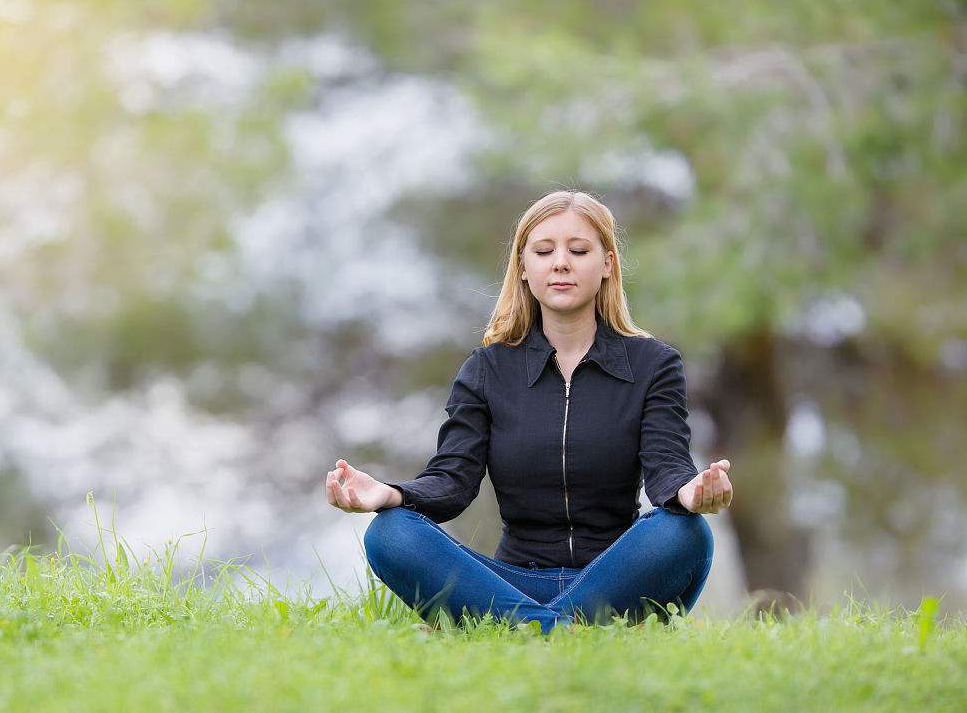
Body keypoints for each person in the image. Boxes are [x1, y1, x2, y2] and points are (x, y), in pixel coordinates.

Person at [325, 189, 734, 634]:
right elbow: (451, 481)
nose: (560, 262)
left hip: (616, 580)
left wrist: (688, 494)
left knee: (686, 533)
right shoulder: (487, 369)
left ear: (607, 265)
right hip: (511, 584)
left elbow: (666, 468)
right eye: (543, 251)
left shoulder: (654, 364)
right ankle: (555, 630)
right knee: (389, 533)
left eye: (578, 250)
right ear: (523, 267)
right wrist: (391, 494)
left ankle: (517, 631)